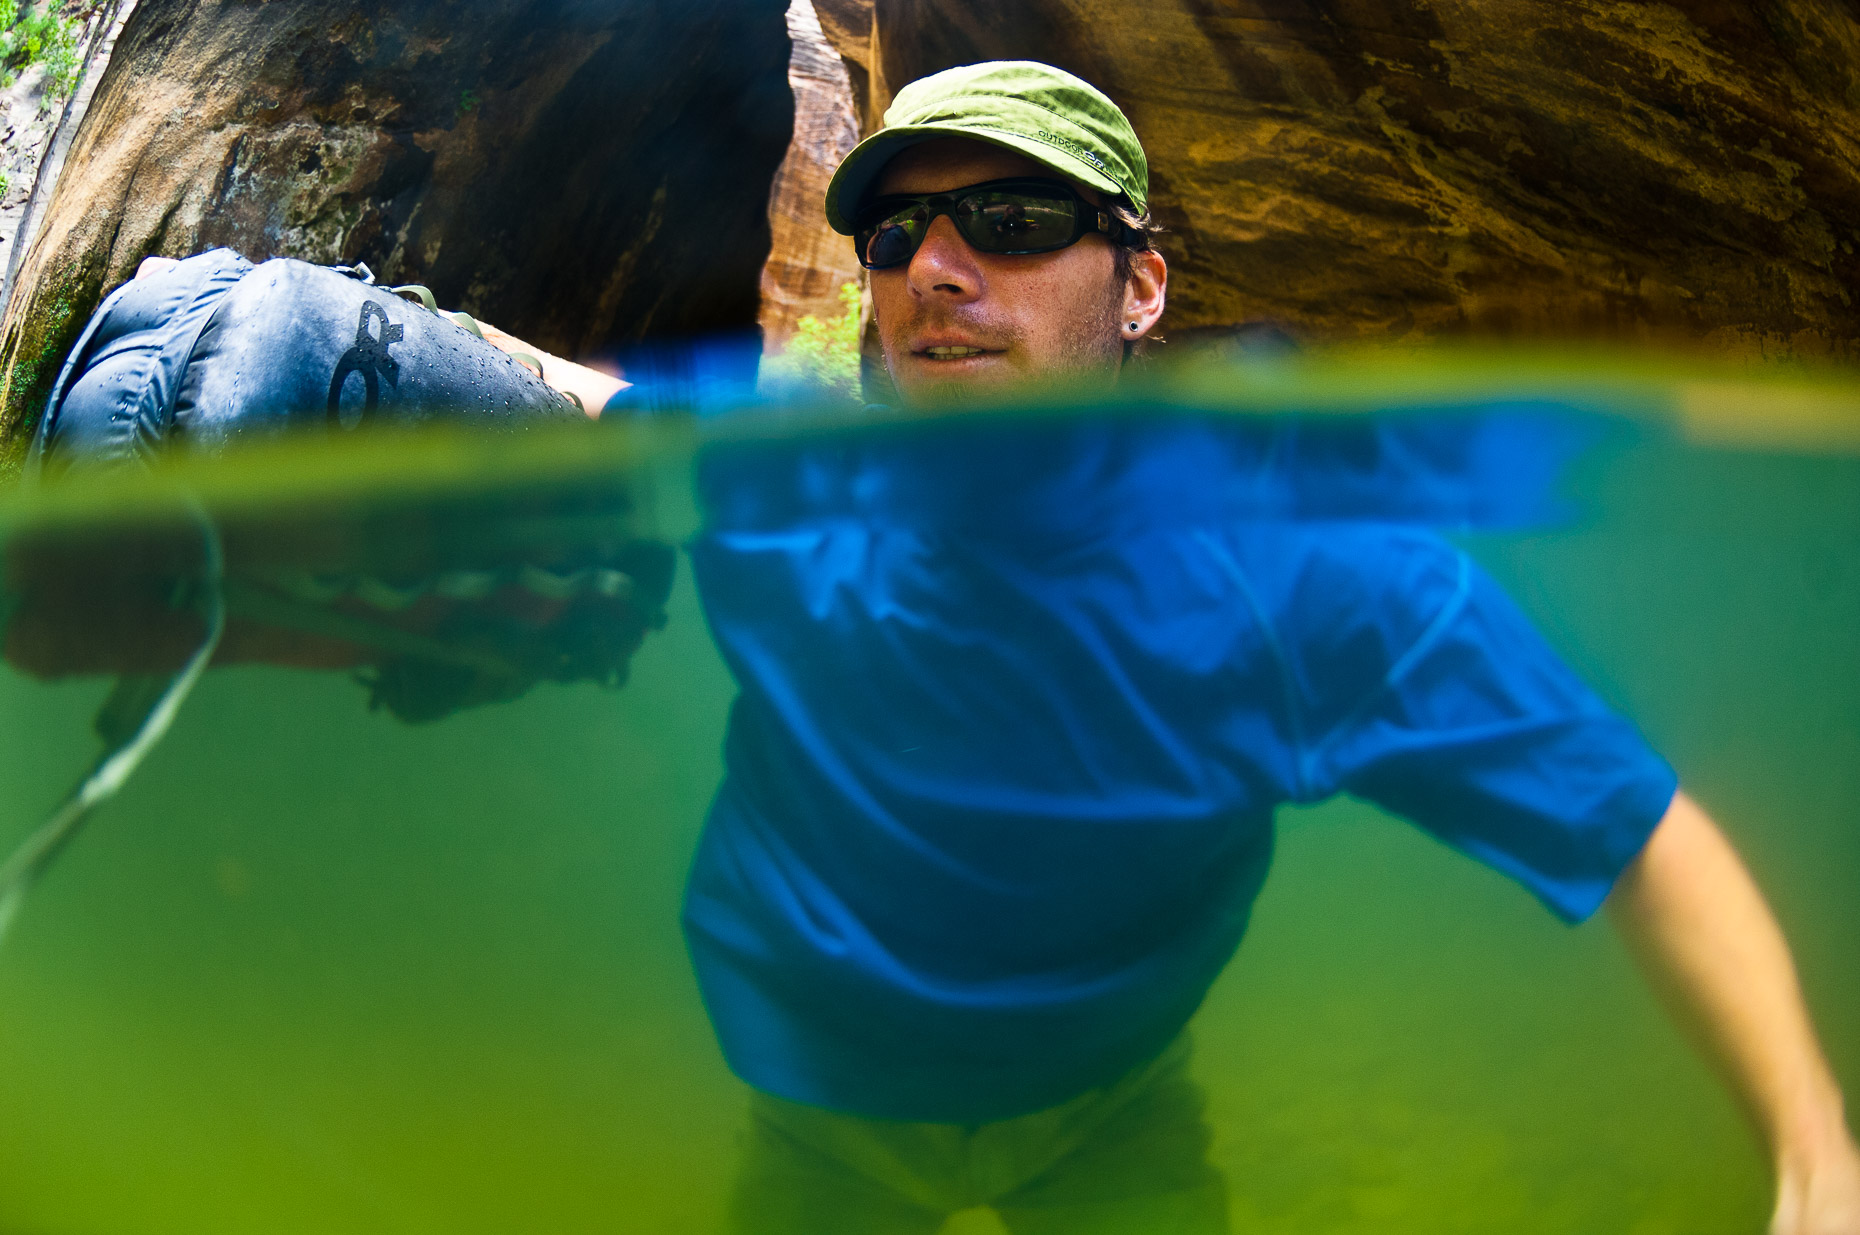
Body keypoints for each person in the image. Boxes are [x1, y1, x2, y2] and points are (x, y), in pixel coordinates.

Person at [671, 60, 1860, 1234]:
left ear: (1140, 290)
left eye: (1011, 221)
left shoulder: (1300, 576)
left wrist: (1818, 1148)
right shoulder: (785, 489)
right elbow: (566, 390)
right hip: (813, 1123)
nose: (934, 268)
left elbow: (1635, 825)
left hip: (1111, 1111)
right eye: (892, 236)